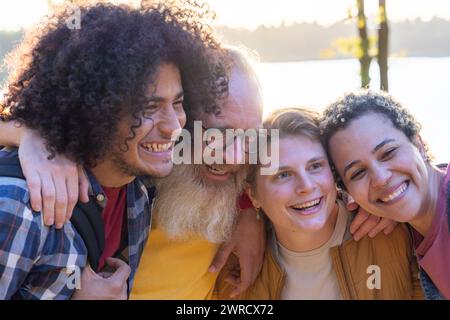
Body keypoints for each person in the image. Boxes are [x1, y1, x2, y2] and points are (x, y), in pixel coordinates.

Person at [1, 48, 397, 299]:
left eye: (248, 137)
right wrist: (31, 136)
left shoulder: (248, 189)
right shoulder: (133, 174)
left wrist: (378, 203)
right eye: (216, 134)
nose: (231, 155)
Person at [0, 0, 227, 299]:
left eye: (177, 103)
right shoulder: (19, 205)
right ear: (96, 108)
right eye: (148, 107)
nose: (174, 126)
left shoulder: (138, 189)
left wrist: (251, 216)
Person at [215, 107, 424, 299]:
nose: (306, 186)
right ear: (253, 195)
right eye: (283, 174)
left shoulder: (393, 228)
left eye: (315, 166)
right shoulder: (237, 266)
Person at [321, 89, 450, 299]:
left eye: (388, 152)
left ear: (418, 143)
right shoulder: (407, 234)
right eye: (358, 173)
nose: (380, 178)